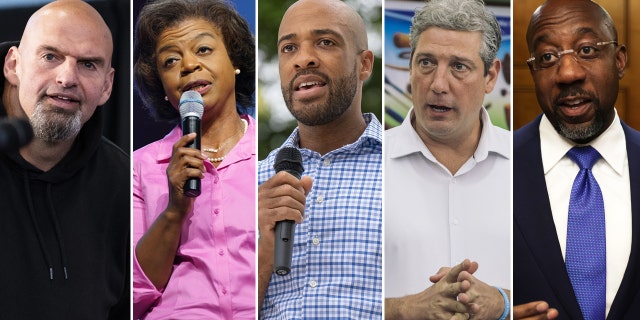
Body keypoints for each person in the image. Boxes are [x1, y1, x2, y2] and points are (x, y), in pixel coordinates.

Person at [0, 1, 129, 319]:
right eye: (50, 56)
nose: (67, 77)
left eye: (88, 64)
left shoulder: (124, 183)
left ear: (107, 85)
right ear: (13, 65)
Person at [384, 0, 511, 319]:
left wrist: (503, 303)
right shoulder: (367, 163)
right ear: (410, 67)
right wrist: (403, 309)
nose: (438, 85)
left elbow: (567, 285)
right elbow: (332, 293)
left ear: (490, 76)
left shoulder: (528, 162)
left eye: (459, 66)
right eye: (426, 63)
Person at [513, 0, 640, 319]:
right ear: (533, 71)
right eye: (547, 57)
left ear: (620, 60)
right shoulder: (492, 166)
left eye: (587, 50)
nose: (568, 73)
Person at [257, 0, 382, 318]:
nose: (303, 59)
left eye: (325, 42)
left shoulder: (408, 168)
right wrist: (263, 251)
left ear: (364, 64)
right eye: (289, 48)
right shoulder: (250, 183)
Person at [132, 0, 256, 319]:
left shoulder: (273, 156)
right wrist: (174, 210)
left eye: (202, 50)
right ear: (161, 85)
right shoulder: (139, 167)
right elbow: (131, 294)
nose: (188, 65)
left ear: (235, 61)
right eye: (171, 60)